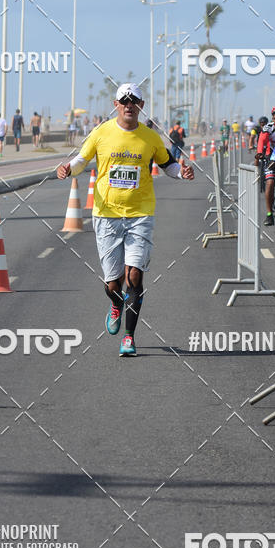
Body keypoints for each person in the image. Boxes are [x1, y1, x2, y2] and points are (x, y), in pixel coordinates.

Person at [57, 82, 194, 357]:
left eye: (134, 101)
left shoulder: (150, 137)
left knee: (134, 275)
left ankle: (129, 337)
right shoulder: (101, 132)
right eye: (124, 101)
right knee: (113, 284)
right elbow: (82, 159)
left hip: (140, 214)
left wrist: (182, 173)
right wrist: (68, 168)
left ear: (141, 106)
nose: (129, 105)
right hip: (106, 215)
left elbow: (168, 164)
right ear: (116, 104)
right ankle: (116, 304)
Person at [255, 106, 275, 225]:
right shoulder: (267, 128)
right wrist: (259, 153)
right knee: (270, 183)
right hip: (271, 158)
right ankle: (269, 214)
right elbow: (261, 141)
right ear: (272, 119)